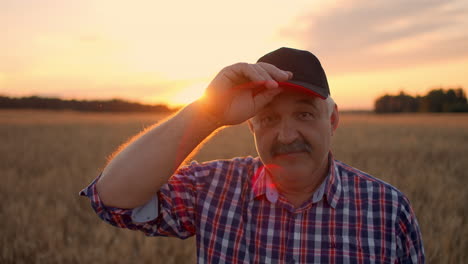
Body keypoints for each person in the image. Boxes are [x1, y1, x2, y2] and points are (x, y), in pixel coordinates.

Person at [80, 47, 425, 263]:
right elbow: (112, 199)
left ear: (332, 119)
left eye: (304, 114)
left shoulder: (386, 209)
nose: (286, 135)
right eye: (269, 119)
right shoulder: (214, 189)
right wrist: (208, 114)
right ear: (251, 127)